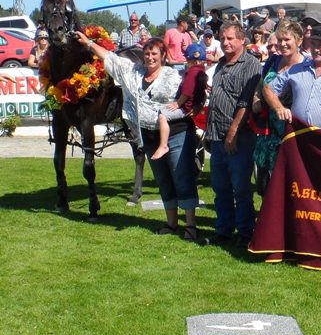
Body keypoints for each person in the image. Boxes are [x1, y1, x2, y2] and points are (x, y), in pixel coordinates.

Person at [74, 33, 199, 240]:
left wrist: (195, 104)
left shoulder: (174, 76)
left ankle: (191, 226)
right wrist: (88, 43)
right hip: (149, 137)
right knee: (163, 180)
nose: (150, 57)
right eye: (147, 53)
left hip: (176, 133)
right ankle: (171, 224)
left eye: (154, 53)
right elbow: (110, 58)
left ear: (163, 56)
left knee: (182, 177)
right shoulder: (133, 72)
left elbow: (194, 90)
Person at [206, 22, 262, 246]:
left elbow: (246, 102)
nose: (225, 42)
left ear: (242, 40)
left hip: (239, 136)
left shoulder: (251, 64)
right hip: (216, 135)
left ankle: (246, 232)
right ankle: (224, 230)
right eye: (223, 38)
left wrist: (233, 131)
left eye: (230, 38)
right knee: (220, 188)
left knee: (241, 188)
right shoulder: (220, 64)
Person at [251, 20, 306, 192]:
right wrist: (256, 99)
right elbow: (260, 86)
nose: (282, 44)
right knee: (265, 186)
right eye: (280, 39)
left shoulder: (307, 65)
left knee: (289, 184)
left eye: (287, 39)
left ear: (299, 40)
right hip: (269, 132)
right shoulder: (273, 61)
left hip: (292, 132)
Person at [152, 43, 208, 161]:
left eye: (188, 59)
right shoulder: (202, 72)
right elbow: (203, 93)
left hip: (185, 108)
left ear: (191, 59)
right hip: (192, 106)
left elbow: (187, 92)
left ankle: (163, 145)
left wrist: (178, 104)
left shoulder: (192, 73)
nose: (186, 61)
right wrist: (199, 105)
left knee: (162, 116)